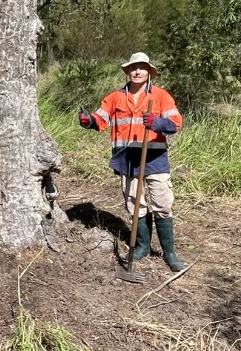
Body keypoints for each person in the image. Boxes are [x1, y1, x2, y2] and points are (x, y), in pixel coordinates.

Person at [78, 52, 191, 279]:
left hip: (155, 158)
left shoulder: (160, 96)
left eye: (142, 68)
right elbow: (101, 118)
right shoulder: (115, 98)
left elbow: (176, 123)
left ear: (149, 72)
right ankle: (142, 246)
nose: (137, 71)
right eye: (133, 67)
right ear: (128, 71)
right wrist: (89, 121)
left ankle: (170, 254)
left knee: (162, 203)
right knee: (134, 204)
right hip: (127, 158)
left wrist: (157, 122)